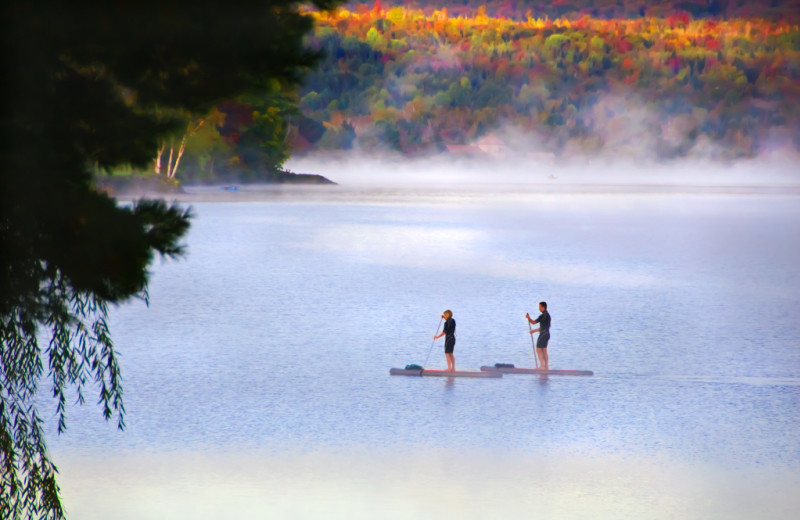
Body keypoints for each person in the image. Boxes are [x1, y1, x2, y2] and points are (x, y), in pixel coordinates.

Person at [526, 302, 551, 370]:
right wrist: (533, 331)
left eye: (540, 307)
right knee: (544, 350)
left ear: (543, 307)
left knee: (538, 349)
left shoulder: (542, 316)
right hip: (547, 334)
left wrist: (528, 318)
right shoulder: (548, 316)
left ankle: (542, 366)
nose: (539, 309)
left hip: (543, 334)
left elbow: (533, 322)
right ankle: (546, 366)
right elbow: (543, 327)